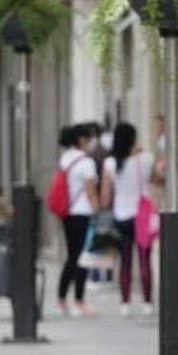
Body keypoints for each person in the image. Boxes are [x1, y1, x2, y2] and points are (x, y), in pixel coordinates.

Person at [103, 122, 159, 317]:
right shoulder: (146, 159)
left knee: (125, 261)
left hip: (121, 215)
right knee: (145, 259)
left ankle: (125, 303)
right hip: (141, 215)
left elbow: (105, 196)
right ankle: (147, 302)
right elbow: (157, 180)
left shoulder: (110, 164)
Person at [56, 124, 101, 317]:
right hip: (82, 213)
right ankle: (79, 300)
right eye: (90, 138)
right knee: (82, 258)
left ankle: (61, 298)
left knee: (72, 256)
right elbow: (91, 191)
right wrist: (97, 211)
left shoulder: (65, 158)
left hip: (67, 213)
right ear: (82, 140)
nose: (92, 142)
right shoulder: (86, 162)